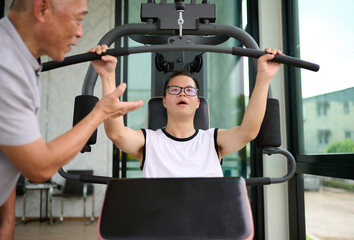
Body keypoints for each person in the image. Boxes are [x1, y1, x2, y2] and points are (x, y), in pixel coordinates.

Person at [0, 1, 143, 239]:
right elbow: (39, 167)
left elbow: (10, 152)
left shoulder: (24, 63)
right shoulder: (7, 67)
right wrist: (98, 114)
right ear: (42, 8)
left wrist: (7, 224)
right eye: (78, 19)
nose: (79, 32)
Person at [92, 45, 283, 178]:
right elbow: (116, 133)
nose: (182, 93)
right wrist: (108, 76)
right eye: (174, 89)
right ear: (164, 101)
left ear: (198, 102)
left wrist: (264, 77)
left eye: (189, 90)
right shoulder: (149, 141)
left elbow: (248, 131)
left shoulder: (213, 140)